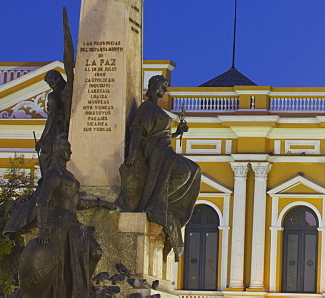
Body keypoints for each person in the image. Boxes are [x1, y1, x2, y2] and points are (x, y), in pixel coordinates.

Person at [11, 137, 111, 298]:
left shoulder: (67, 174)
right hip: (58, 227)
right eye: (67, 148)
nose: (70, 151)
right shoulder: (54, 173)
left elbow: (77, 202)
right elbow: (42, 200)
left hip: (73, 226)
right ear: (59, 150)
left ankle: (83, 287)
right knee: (59, 266)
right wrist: (43, 230)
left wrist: (101, 203)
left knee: (95, 252)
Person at [120, 75, 200, 258]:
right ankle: (158, 199)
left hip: (163, 147)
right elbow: (139, 131)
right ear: (155, 87)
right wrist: (132, 153)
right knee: (187, 170)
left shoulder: (156, 109)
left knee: (193, 171)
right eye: (163, 87)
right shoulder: (147, 108)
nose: (165, 90)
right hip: (155, 151)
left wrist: (177, 133)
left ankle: (160, 197)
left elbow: (160, 134)